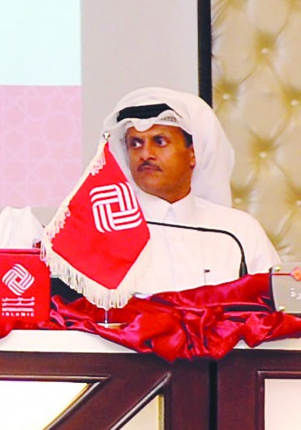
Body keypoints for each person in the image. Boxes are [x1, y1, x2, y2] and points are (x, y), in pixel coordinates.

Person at [105, 87, 280, 294]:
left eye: (159, 142)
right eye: (135, 144)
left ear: (193, 153)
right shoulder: (106, 233)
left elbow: (276, 303)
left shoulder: (237, 231)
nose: (145, 154)